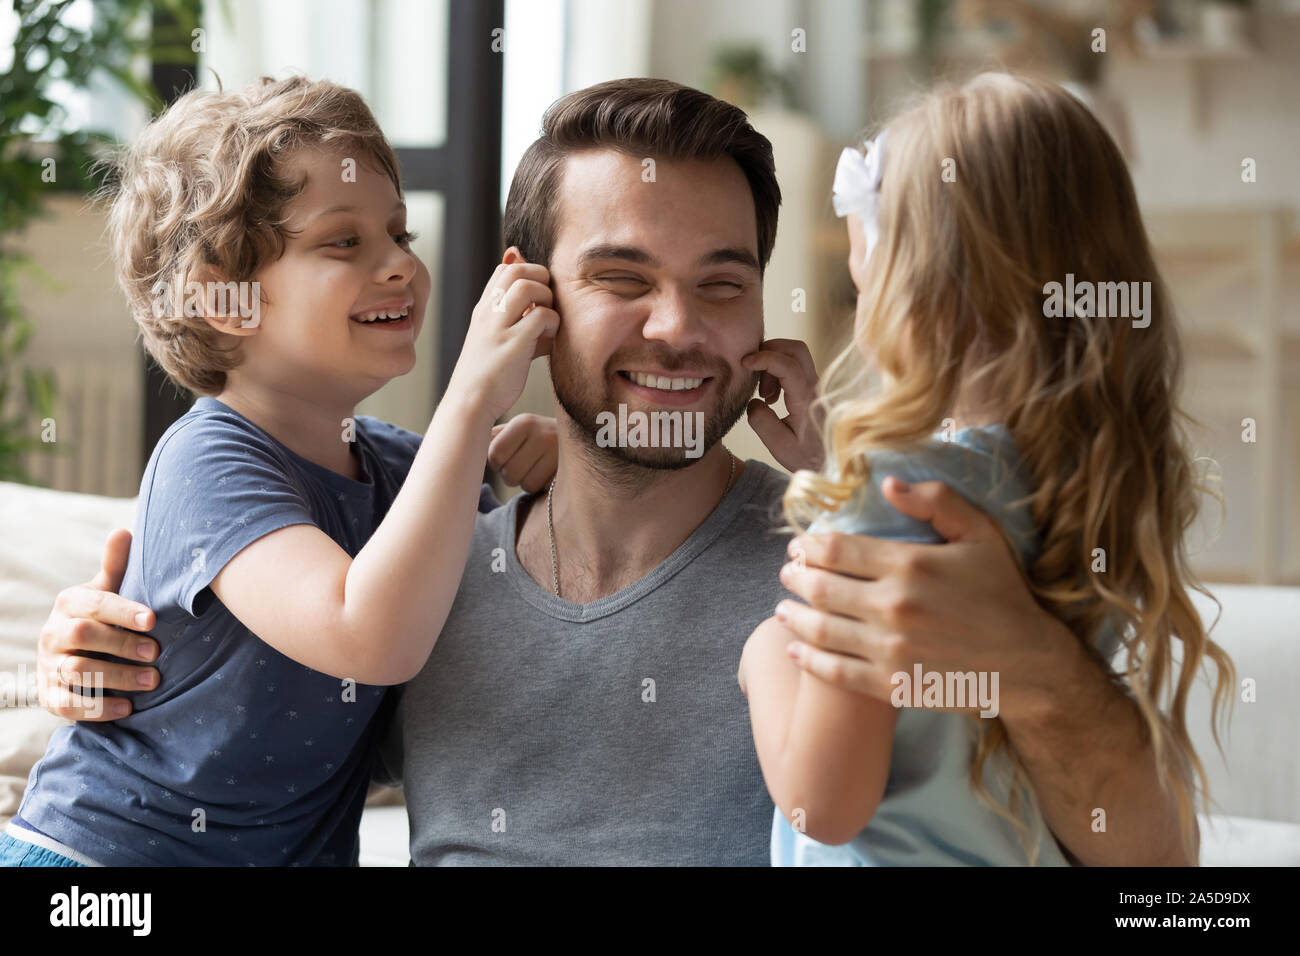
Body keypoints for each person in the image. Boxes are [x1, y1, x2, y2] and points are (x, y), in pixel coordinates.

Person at [34, 77, 1206, 867]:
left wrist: (1031, 664)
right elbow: (273, 688)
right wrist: (112, 652)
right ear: (526, 296)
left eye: (721, 282)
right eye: (621, 277)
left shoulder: (851, 563)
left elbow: (1161, 870)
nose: (674, 328)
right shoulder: (423, 559)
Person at [3, 76, 558, 866]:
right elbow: (368, 634)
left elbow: (504, 636)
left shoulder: (411, 473)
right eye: (345, 242)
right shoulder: (208, 460)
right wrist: (469, 404)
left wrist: (569, 475)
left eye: (401, 235)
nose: (399, 264)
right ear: (225, 300)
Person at [741, 73, 1234, 866]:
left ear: (917, 299)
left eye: (863, 286)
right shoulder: (1090, 491)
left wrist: (763, 658)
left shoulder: (887, 496)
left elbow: (823, 804)